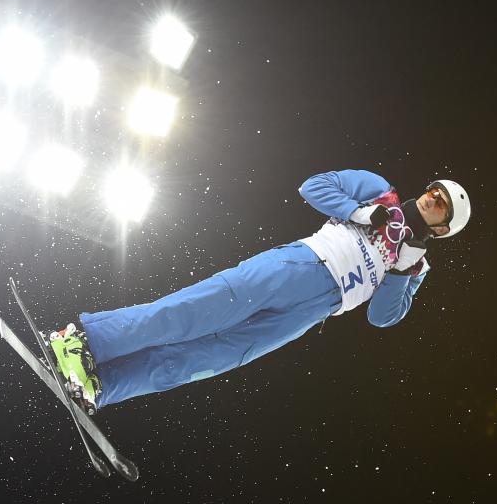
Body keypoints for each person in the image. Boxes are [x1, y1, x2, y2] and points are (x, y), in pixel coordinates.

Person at [49, 169, 472, 415]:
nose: (432, 200)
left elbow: (382, 317)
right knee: (192, 313)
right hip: (302, 265)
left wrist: (401, 268)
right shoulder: (381, 191)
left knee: (208, 359)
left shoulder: (417, 266)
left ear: (443, 229)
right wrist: (361, 212)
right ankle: (84, 342)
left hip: (316, 310)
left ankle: (101, 385)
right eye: (433, 191)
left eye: (441, 205)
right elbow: (314, 186)